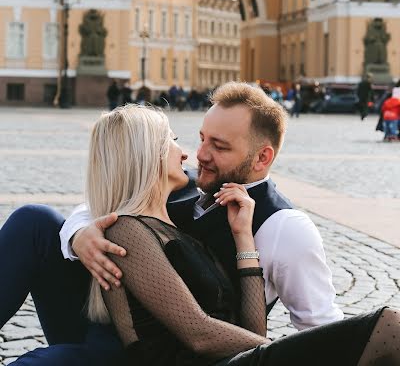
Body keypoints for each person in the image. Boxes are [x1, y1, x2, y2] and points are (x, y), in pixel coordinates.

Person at [62, 105, 400, 363]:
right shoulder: (126, 230)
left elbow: (252, 331)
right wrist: (291, 353)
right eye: (175, 141)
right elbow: (198, 334)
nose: (189, 154)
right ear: (145, 156)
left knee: (389, 327)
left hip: (233, 361)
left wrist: (243, 238)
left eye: (218, 146)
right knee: (389, 324)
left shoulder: (184, 219)